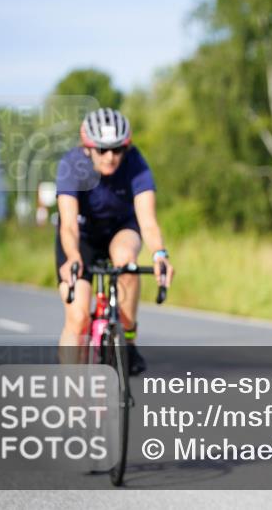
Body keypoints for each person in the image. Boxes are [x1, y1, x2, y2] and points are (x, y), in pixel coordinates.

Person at [55, 108, 175, 374]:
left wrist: (159, 254)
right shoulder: (71, 165)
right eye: (102, 149)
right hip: (81, 236)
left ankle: (128, 341)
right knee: (78, 317)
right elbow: (69, 224)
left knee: (127, 262)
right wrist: (72, 257)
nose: (110, 157)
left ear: (126, 147)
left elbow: (148, 222)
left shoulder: (135, 163)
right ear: (88, 148)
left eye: (117, 149)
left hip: (121, 229)